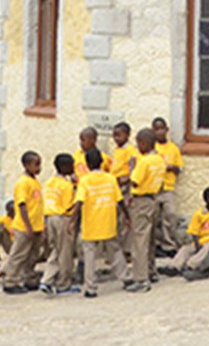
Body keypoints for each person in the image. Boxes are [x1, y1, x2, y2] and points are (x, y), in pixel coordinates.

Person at [75, 147, 128, 298]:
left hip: (91, 224)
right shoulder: (110, 178)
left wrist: (72, 221)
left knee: (90, 256)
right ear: (101, 162)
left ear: (87, 164)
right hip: (108, 221)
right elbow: (120, 200)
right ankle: (125, 277)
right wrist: (127, 216)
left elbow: (79, 202)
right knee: (115, 250)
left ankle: (90, 287)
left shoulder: (84, 180)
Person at [123, 128, 167, 292]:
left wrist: (131, 168)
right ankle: (151, 270)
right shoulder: (159, 160)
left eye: (139, 143)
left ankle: (141, 279)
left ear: (145, 143)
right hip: (154, 199)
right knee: (150, 239)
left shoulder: (144, 162)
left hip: (141, 201)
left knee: (139, 241)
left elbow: (134, 181)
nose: (137, 146)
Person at [1, 151, 46, 294]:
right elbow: (21, 205)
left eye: (40, 164)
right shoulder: (23, 183)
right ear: (27, 165)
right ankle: (10, 281)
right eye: (36, 165)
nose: (39, 168)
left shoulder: (35, 181)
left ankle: (29, 279)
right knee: (19, 254)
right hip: (25, 226)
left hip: (37, 225)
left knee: (32, 255)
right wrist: (28, 226)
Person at [164, 186, 209, 280]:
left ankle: (191, 265)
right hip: (200, 240)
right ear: (208, 200)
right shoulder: (200, 214)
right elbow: (194, 231)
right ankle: (175, 266)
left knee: (206, 249)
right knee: (186, 249)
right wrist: (197, 243)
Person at [38, 153, 81, 296]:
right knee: (65, 252)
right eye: (71, 165)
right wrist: (77, 185)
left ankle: (47, 280)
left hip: (49, 218)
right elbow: (71, 205)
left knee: (56, 250)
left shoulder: (50, 182)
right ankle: (64, 284)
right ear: (65, 167)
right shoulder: (66, 186)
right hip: (62, 218)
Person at [151, 117, 185, 253]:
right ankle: (155, 245)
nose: (159, 132)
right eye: (156, 129)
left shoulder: (173, 148)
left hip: (168, 188)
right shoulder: (152, 147)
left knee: (170, 216)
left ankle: (169, 245)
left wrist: (172, 167)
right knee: (153, 218)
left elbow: (180, 168)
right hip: (153, 188)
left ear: (166, 130)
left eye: (161, 129)